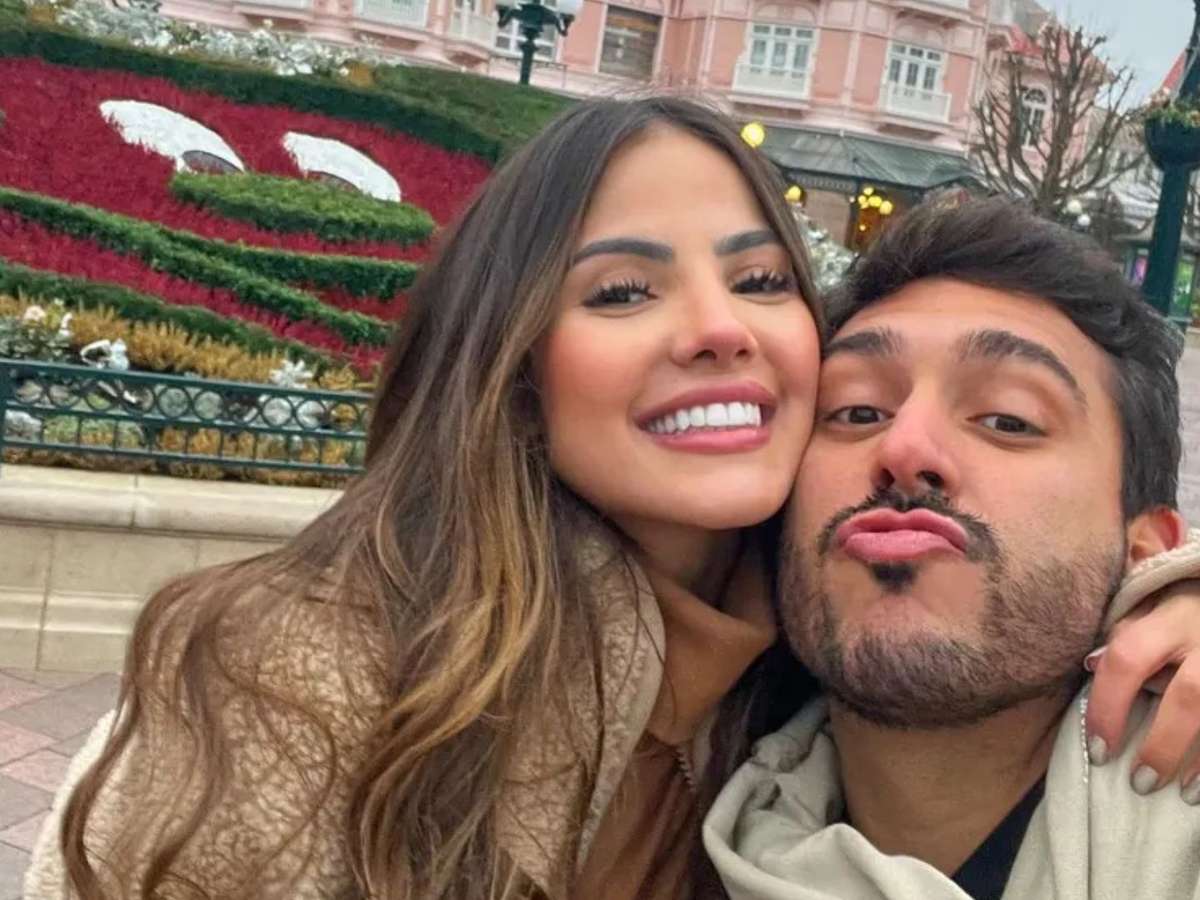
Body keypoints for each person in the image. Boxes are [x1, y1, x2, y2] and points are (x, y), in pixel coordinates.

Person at [23, 102, 1200, 900]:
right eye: (623, 291)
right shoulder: (310, 678)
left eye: (760, 278)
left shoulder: (783, 672)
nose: (720, 327)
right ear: (513, 371)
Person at [704, 198, 1200, 900]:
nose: (903, 448)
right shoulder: (665, 794)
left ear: (1147, 552)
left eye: (1008, 419)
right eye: (857, 411)